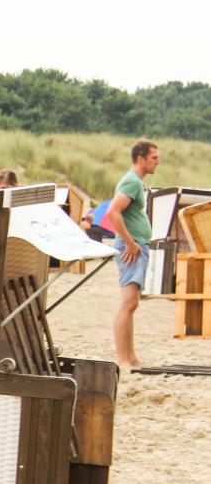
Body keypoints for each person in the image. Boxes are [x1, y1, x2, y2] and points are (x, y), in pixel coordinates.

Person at [107, 139, 160, 372]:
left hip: (137, 246)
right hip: (132, 247)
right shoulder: (132, 181)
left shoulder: (136, 182)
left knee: (132, 304)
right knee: (127, 303)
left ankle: (131, 357)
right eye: (154, 158)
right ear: (141, 158)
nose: (157, 162)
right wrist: (129, 242)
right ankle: (123, 359)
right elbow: (113, 211)